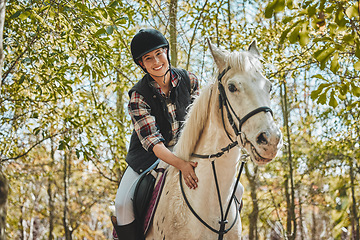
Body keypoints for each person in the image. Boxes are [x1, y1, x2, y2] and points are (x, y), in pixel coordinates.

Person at [112, 28, 200, 240]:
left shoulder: (190, 81)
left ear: (167, 52)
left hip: (186, 149)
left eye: (159, 54)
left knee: (236, 188)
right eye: (148, 58)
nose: (156, 61)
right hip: (148, 156)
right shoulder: (137, 96)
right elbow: (155, 144)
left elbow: (200, 123)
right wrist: (181, 165)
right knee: (122, 204)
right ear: (142, 64)